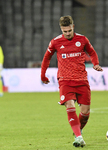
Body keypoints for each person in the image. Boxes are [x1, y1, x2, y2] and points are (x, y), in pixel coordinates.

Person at [41, 15, 103, 147]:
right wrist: (43, 75)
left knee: (85, 112)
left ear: (73, 27)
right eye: (65, 31)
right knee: (69, 106)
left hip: (81, 80)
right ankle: (79, 137)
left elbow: (92, 52)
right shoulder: (55, 42)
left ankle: (78, 130)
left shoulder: (82, 39)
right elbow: (46, 58)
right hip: (65, 80)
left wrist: (95, 63)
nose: (68, 34)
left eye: (69, 31)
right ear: (61, 29)